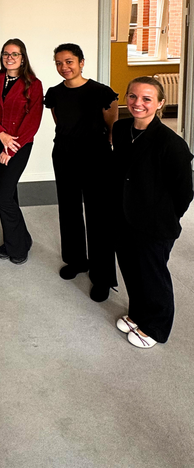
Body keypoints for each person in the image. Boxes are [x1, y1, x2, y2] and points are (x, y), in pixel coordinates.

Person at [113, 77, 193, 349]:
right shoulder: (121, 128)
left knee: (152, 275)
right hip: (124, 215)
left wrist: (166, 217)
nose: (138, 103)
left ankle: (156, 328)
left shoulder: (171, 143)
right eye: (133, 96)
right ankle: (137, 314)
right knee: (131, 270)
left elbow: (184, 192)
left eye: (147, 99)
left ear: (160, 104)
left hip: (155, 224)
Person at [44, 43, 118, 302]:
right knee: (69, 209)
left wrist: (99, 146)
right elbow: (60, 122)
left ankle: (102, 276)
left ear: (81, 62)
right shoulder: (54, 93)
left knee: (99, 215)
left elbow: (111, 125)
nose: (64, 67)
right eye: (59, 63)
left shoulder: (101, 92)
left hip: (96, 156)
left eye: (69, 61)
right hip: (64, 154)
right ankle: (76, 260)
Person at [0, 39, 43, 264]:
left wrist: (11, 148)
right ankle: (21, 238)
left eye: (15, 54)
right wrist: (0, 135)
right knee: (10, 193)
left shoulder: (33, 84)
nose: (10, 57)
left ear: (23, 58)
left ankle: (17, 248)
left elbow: (33, 120)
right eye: (6, 53)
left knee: (3, 197)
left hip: (19, 144)